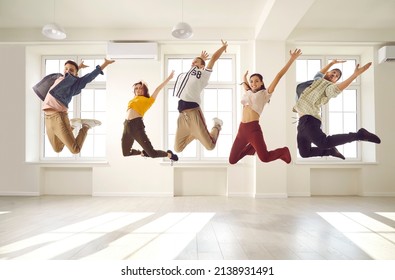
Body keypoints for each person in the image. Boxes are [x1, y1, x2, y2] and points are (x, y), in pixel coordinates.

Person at [293, 59, 381, 159]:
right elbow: (319, 73)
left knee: (324, 142)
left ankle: (359, 135)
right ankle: (330, 151)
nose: (334, 75)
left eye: (336, 77)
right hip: (302, 122)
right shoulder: (316, 81)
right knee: (304, 153)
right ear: (327, 72)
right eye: (333, 72)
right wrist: (331, 63)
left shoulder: (328, 87)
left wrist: (354, 75)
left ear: (335, 81)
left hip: (310, 119)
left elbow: (337, 89)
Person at [229, 49, 302, 165]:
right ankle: (250, 148)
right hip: (242, 129)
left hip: (253, 129)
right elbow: (245, 84)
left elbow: (278, 76)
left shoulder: (265, 94)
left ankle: (283, 151)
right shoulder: (248, 92)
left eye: (256, 81)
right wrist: (244, 78)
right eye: (251, 81)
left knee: (264, 158)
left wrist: (291, 59)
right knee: (232, 160)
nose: (253, 83)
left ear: (262, 82)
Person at [33, 58, 115, 154]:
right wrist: (77, 67)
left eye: (71, 70)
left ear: (75, 74)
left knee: (75, 150)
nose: (67, 71)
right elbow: (70, 73)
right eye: (66, 68)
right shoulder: (59, 77)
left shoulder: (73, 84)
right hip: (47, 118)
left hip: (58, 117)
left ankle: (86, 126)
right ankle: (73, 125)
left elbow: (89, 77)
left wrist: (104, 64)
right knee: (57, 149)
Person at [173, 39, 228, 153]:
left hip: (194, 113)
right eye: (192, 62)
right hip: (182, 116)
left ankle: (217, 125)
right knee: (177, 149)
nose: (193, 63)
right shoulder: (186, 76)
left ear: (202, 66)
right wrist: (200, 58)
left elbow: (213, 59)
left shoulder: (203, 75)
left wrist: (223, 47)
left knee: (210, 146)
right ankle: (195, 133)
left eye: (196, 62)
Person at [122, 71, 178, 162]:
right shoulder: (133, 99)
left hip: (137, 126)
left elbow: (158, 89)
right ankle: (142, 153)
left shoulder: (148, 100)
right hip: (126, 126)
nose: (138, 90)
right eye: (136, 88)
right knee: (125, 153)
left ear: (144, 90)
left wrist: (169, 78)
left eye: (141, 88)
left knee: (152, 154)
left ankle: (169, 154)